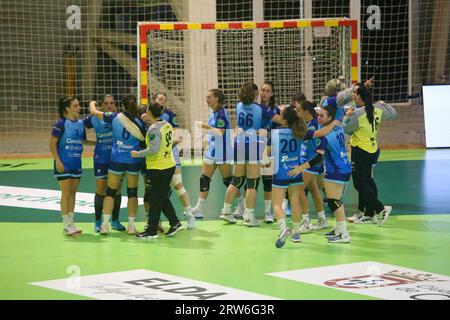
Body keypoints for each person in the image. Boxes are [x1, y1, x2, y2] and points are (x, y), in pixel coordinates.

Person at [219, 81, 282, 227]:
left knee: (236, 181)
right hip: (254, 145)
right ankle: (250, 217)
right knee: (252, 183)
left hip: (239, 144)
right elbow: (280, 120)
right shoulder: (260, 109)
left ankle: (226, 211)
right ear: (254, 94)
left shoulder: (239, 106)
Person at [289, 99, 353, 243]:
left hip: (336, 169)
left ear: (330, 118)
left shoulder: (323, 135)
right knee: (333, 200)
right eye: (318, 115)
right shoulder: (338, 127)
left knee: (333, 201)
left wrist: (301, 167)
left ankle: (343, 233)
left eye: (322, 116)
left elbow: (317, 156)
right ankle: (339, 228)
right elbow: (339, 117)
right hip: (342, 166)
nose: (318, 117)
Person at [89, 94, 146, 235]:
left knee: (110, 192)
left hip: (116, 160)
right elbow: (144, 142)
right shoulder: (140, 122)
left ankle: (105, 225)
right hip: (133, 161)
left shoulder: (114, 117)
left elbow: (94, 112)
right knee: (132, 193)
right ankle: (131, 226)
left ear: (122, 105)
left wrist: (92, 103)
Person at [271, 105, 326, 248]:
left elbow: (268, 153)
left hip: (280, 170)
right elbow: (319, 144)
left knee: (277, 203)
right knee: (295, 200)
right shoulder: (300, 132)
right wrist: (301, 168)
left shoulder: (275, 133)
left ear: (283, 118)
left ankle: (283, 229)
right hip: (295, 170)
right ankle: (296, 232)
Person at [342, 85, 397, 225]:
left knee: (359, 184)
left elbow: (346, 129)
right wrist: (385, 104)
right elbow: (393, 114)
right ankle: (369, 214)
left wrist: (346, 117)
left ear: (360, 96)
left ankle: (380, 208)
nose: (352, 95)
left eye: (355, 92)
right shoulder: (377, 108)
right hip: (372, 150)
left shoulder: (357, 114)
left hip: (360, 151)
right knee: (367, 180)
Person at [133, 102, 189, 239]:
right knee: (161, 196)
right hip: (169, 165)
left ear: (150, 112)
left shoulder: (153, 129)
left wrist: (137, 154)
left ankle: (152, 230)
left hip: (158, 167)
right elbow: (166, 144)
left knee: (154, 198)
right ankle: (174, 223)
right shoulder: (166, 124)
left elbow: (153, 149)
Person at [50, 97, 91, 235]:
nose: (79, 108)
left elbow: (84, 141)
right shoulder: (61, 124)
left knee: (73, 193)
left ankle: (71, 223)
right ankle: (66, 224)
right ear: (67, 108)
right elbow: (52, 143)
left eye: (79, 105)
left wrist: (100, 143)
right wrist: (57, 160)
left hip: (76, 163)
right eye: (76, 105)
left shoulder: (80, 124)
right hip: (64, 163)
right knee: (66, 193)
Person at [84, 94, 125, 233]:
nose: (109, 105)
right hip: (101, 158)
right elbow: (80, 125)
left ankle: (115, 220)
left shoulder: (119, 118)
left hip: (116, 158)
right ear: (102, 105)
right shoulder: (94, 118)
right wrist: (85, 141)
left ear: (115, 105)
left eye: (111, 103)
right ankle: (97, 221)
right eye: (106, 103)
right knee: (101, 189)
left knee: (117, 189)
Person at [190, 89, 233, 218]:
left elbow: (220, 133)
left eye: (209, 97)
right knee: (204, 179)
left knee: (228, 181)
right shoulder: (212, 112)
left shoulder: (222, 114)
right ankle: (199, 208)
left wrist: (204, 126)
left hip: (222, 152)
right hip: (212, 150)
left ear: (216, 99)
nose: (207, 99)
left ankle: (241, 205)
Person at [153, 93, 195, 221]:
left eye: (164, 100)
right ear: (154, 100)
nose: (162, 102)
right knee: (159, 189)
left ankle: (189, 215)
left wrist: (171, 144)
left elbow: (177, 134)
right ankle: (156, 219)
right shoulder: (149, 115)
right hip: (156, 157)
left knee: (178, 185)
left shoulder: (171, 115)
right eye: (160, 99)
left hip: (170, 153)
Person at [294, 98, 327, 232]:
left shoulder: (313, 125)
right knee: (313, 190)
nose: (297, 113)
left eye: (299, 110)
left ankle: (306, 221)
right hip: (307, 159)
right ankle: (322, 219)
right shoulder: (307, 122)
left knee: (299, 189)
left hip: (312, 161)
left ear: (306, 111)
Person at [259, 81, 281, 224]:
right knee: (251, 181)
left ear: (271, 93)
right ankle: (244, 210)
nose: (264, 93)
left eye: (267, 91)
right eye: (262, 90)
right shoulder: (254, 108)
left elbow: (281, 126)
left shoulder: (276, 111)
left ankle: (268, 212)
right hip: (254, 147)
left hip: (269, 149)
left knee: (269, 181)